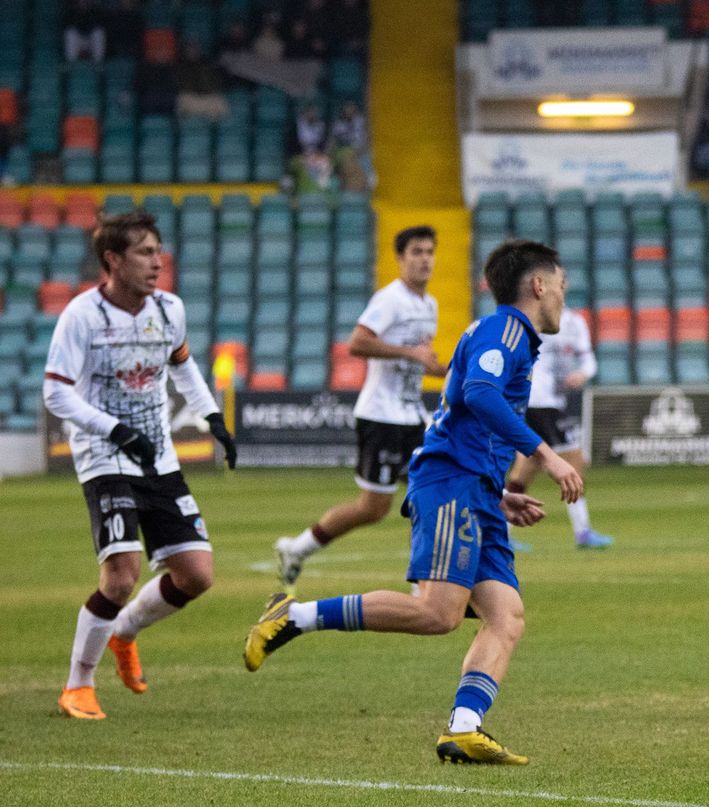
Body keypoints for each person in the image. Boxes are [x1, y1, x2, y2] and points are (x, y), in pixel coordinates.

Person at [244, 240, 585, 765]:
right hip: (451, 483)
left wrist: (499, 493)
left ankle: (464, 728)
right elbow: (479, 395)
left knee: (506, 615)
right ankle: (294, 616)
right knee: (436, 612)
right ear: (538, 286)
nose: (565, 296)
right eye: (562, 285)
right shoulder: (505, 331)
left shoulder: (508, 336)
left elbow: (473, 418)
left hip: (477, 490)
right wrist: (549, 456)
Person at [42, 211, 238, 720]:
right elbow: (55, 393)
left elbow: (183, 366)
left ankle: (123, 632)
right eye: (145, 252)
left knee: (197, 575)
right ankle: (77, 685)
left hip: (157, 456)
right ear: (113, 260)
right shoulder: (81, 316)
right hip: (104, 455)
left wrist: (212, 417)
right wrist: (114, 430)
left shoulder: (169, 309)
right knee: (121, 576)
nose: (158, 262)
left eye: (158, 251)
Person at [274, 227, 445, 589]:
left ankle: (423, 583)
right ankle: (298, 548)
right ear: (400, 258)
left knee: (432, 490)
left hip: (412, 415)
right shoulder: (390, 299)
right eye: (416, 251)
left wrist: (438, 367)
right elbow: (358, 342)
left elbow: (416, 357)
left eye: (430, 251)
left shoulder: (429, 305)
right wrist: (409, 353)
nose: (425, 259)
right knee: (373, 509)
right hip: (381, 416)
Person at [526, 306, 612, 549]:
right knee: (575, 462)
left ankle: (500, 533)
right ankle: (583, 532)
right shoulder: (532, 317)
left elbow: (588, 359)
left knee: (526, 467)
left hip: (550, 402)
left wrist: (582, 374)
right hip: (539, 401)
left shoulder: (574, 322)